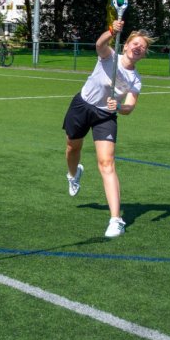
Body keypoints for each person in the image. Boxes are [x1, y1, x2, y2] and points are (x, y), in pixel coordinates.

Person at [62, 19, 154, 238]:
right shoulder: (110, 56)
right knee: (72, 147)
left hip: (106, 116)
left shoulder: (136, 80)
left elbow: (130, 106)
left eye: (143, 47)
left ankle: (116, 219)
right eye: (135, 44)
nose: (138, 48)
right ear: (126, 46)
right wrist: (112, 30)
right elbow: (99, 44)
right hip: (82, 106)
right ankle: (73, 174)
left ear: (144, 54)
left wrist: (119, 106)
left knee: (107, 163)